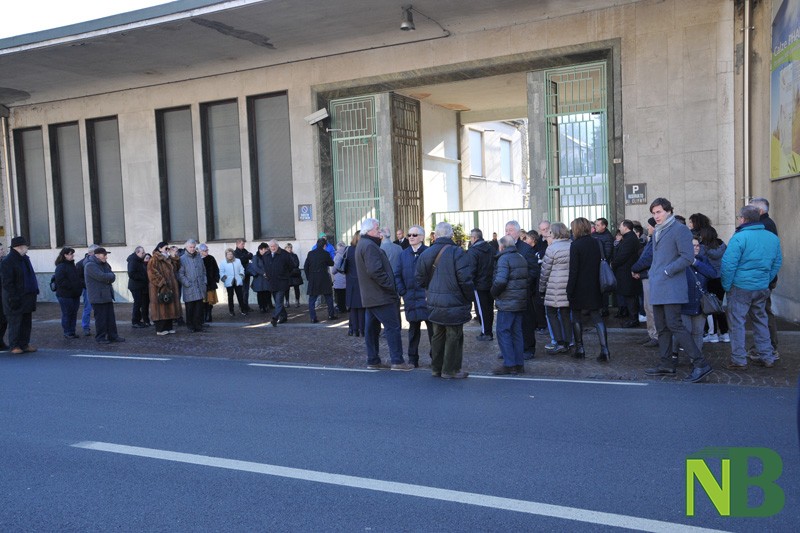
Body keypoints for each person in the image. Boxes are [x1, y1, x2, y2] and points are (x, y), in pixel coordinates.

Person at [644, 197, 713, 383]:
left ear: (668, 211)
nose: (656, 216)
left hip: (672, 286)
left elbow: (687, 257)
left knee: (675, 325)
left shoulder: (680, 229)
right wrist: (655, 273)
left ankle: (700, 363)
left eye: (658, 212)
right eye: (653, 213)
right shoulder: (658, 231)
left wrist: (667, 270)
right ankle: (666, 363)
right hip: (658, 285)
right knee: (662, 327)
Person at [722, 205, 782, 369]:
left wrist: (727, 286)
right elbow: (776, 263)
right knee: (761, 321)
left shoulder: (739, 237)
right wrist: (766, 280)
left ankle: (739, 359)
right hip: (761, 286)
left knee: (737, 324)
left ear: (743, 219)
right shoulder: (772, 238)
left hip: (741, 286)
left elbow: (728, 265)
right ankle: (767, 356)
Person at [416, 221, 474, 379]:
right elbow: (465, 279)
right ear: (451, 235)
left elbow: (419, 279)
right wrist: (470, 297)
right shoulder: (457, 252)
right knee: (454, 334)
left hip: (434, 300)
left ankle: (436, 368)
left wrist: (432, 289)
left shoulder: (426, 253)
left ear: (436, 235)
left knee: (437, 335)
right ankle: (450, 370)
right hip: (454, 300)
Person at [355, 218, 412, 371]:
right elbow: (375, 271)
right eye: (377, 229)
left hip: (371, 296)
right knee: (392, 327)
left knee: (371, 329)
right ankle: (397, 361)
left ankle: (373, 360)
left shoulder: (364, 244)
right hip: (380, 296)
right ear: (368, 231)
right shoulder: (369, 246)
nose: (379, 232)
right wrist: (390, 286)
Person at [567, 218, 610, 361]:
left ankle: (580, 349)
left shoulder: (575, 245)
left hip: (579, 286)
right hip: (594, 285)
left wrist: (569, 289)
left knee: (576, 317)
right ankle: (605, 350)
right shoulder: (597, 242)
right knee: (596, 316)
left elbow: (574, 270)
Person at [672, 238, 717, 361]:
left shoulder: (703, 260)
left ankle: (696, 359)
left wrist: (696, 263)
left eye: (698, 245)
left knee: (698, 332)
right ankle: (674, 353)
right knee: (683, 331)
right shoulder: (679, 261)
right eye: (693, 245)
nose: (696, 248)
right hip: (684, 304)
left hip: (700, 304)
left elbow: (713, 274)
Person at [489, 235, 529, 375]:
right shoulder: (520, 257)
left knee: (503, 331)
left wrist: (493, 293)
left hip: (507, 301)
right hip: (519, 300)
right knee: (516, 332)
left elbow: (500, 281)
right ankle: (519, 364)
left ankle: (509, 363)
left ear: (502, 246)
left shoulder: (504, 259)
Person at [395, 225, 432, 368]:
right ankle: (412, 359)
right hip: (411, 298)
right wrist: (403, 291)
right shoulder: (403, 254)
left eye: (414, 235)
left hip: (426, 298)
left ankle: (435, 358)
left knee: (432, 330)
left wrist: (430, 293)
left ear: (422, 237)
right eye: (409, 235)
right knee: (413, 331)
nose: (411, 237)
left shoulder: (429, 252)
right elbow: (397, 274)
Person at [748, 197, 779, 360]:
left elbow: (768, 256)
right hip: (763, 278)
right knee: (761, 312)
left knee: (763, 312)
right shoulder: (765, 225)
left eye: (751, 209)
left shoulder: (765, 226)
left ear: (760, 211)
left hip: (763, 279)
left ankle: (769, 347)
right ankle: (765, 346)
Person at [505, 220, 540, 359]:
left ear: (518, 233)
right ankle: (510, 349)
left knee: (526, 322)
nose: (508, 232)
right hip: (507, 293)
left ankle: (528, 348)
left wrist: (524, 286)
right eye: (506, 230)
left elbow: (533, 271)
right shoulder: (503, 247)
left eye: (511, 230)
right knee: (510, 323)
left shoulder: (526, 249)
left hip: (522, 293)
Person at [538, 222, 572, 354]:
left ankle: (559, 342)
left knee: (551, 313)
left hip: (554, 286)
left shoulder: (551, 248)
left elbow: (545, 271)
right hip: (568, 285)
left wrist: (541, 288)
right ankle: (569, 341)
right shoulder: (571, 245)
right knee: (565, 314)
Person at [1, 237, 38, 354]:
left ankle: (24, 344)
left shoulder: (24, 259)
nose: (27, 249)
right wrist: (13, 297)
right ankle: (14, 345)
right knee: (15, 322)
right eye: (26, 246)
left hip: (27, 297)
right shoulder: (8, 261)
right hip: (15, 297)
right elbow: (7, 282)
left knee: (26, 322)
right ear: (19, 247)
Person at [84, 247, 124, 344]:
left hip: (107, 295)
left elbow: (112, 276)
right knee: (101, 319)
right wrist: (109, 277)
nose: (106, 257)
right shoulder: (90, 265)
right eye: (104, 255)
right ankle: (100, 337)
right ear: (97, 255)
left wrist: (109, 277)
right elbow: (101, 276)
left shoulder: (105, 264)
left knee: (110, 318)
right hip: (97, 297)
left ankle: (113, 336)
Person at [698, 226, 729, 343]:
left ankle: (713, 333)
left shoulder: (702, 248)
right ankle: (725, 332)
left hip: (709, 279)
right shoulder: (722, 246)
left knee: (709, 307)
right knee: (719, 306)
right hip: (721, 278)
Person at [632, 218, 658, 347]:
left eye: (649, 226)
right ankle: (651, 333)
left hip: (650, 277)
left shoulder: (655, 240)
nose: (648, 228)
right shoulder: (652, 239)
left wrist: (635, 268)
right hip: (645, 275)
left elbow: (648, 259)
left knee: (651, 308)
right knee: (648, 308)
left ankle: (655, 335)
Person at [611, 220, 642, 328]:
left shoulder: (630, 239)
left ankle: (633, 319)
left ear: (626, 227)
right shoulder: (629, 238)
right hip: (626, 271)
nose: (619, 228)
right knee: (629, 296)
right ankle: (632, 318)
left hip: (627, 272)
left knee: (630, 296)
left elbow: (622, 255)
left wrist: (613, 264)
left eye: (620, 226)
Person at [147, 241, 182, 335]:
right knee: (161, 307)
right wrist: (162, 282)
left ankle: (168, 327)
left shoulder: (168, 258)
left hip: (170, 287)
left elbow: (176, 268)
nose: (167, 250)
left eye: (168, 248)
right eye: (166, 248)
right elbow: (152, 272)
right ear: (160, 248)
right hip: (159, 288)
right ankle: (160, 329)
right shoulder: (155, 258)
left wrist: (174, 257)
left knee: (169, 306)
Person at [467, 228, 495, 341]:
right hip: (491, 283)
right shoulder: (491, 248)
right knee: (489, 309)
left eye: (470, 237)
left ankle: (486, 333)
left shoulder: (473, 251)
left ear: (474, 238)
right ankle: (488, 331)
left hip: (479, 285)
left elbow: (471, 269)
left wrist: (469, 284)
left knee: (482, 310)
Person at [178, 239, 207, 333]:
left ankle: (198, 325)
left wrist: (204, 281)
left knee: (199, 308)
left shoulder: (199, 257)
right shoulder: (182, 259)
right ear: (186, 247)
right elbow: (180, 274)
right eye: (190, 247)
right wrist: (187, 283)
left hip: (199, 286)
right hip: (189, 288)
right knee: (190, 308)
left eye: (194, 247)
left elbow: (203, 271)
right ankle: (190, 326)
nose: (192, 249)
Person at [304, 237, 337, 323]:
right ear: (324, 245)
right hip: (324, 278)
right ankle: (331, 315)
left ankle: (313, 318)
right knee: (329, 298)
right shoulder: (325, 253)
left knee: (312, 300)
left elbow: (305, 266)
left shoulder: (310, 253)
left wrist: (308, 277)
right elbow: (331, 263)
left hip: (313, 278)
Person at [54, 247, 82, 339]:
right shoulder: (61, 266)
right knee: (67, 313)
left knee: (73, 313)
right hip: (65, 295)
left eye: (72, 254)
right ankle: (67, 332)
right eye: (71, 254)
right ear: (65, 255)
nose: (72, 255)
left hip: (74, 294)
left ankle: (72, 331)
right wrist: (72, 286)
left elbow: (76, 278)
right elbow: (60, 281)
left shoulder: (72, 265)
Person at [262, 240, 292, 327]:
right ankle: (284, 316)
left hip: (282, 281)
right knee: (277, 301)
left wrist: (285, 275)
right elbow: (264, 266)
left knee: (278, 301)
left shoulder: (284, 254)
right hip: (272, 281)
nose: (272, 248)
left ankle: (274, 318)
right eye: (271, 246)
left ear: (277, 246)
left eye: (274, 246)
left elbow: (291, 266)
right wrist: (266, 274)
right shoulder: (266, 255)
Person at [343, 231, 365, 337]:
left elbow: (344, 266)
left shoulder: (348, 250)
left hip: (351, 282)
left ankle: (353, 329)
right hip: (362, 282)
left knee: (352, 308)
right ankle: (362, 330)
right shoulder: (363, 249)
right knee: (361, 307)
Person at [76, 244, 98, 336]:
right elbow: (79, 278)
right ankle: (86, 327)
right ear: (90, 253)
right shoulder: (81, 264)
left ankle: (100, 327)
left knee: (98, 309)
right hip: (88, 289)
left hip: (97, 288)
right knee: (87, 308)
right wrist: (87, 285)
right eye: (97, 252)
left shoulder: (99, 262)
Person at [219, 248, 247, 317]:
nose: (230, 255)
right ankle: (231, 310)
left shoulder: (238, 261)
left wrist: (241, 276)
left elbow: (241, 269)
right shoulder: (223, 262)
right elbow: (221, 272)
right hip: (229, 282)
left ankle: (242, 309)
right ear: (226, 255)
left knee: (240, 296)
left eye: (231, 254)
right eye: (228, 254)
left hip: (237, 281)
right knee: (230, 297)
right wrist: (224, 278)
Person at [127, 246, 149, 328]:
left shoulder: (139, 260)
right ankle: (135, 321)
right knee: (137, 303)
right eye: (142, 253)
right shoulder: (133, 260)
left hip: (140, 285)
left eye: (144, 252)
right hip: (136, 286)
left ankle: (138, 320)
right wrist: (143, 276)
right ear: (137, 252)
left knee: (140, 303)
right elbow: (131, 274)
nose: (144, 254)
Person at [198, 243, 219, 324]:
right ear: (201, 251)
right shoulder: (197, 259)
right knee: (203, 301)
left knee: (210, 300)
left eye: (207, 250)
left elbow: (216, 269)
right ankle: (203, 315)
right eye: (205, 250)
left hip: (210, 283)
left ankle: (209, 314)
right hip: (202, 283)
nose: (207, 252)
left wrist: (216, 278)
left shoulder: (211, 258)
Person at [233, 239, 254, 312]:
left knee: (246, 290)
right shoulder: (235, 253)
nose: (243, 245)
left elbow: (250, 255)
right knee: (242, 290)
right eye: (242, 244)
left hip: (246, 272)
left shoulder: (244, 250)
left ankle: (246, 305)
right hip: (240, 274)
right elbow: (239, 260)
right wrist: (246, 256)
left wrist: (246, 256)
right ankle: (242, 306)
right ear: (237, 244)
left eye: (244, 244)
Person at [285, 243, 303, 308]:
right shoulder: (283, 256)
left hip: (295, 274)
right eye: (288, 247)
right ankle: (287, 301)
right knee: (286, 289)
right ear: (285, 248)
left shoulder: (294, 255)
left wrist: (290, 266)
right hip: (288, 274)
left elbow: (297, 264)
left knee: (296, 288)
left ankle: (297, 301)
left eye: (290, 248)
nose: (289, 249)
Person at [331, 242, 347, 314]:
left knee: (339, 295)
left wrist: (333, 272)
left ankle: (341, 308)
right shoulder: (347, 254)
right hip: (345, 276)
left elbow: (336, 267)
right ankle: (345, 307)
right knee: (344, 294)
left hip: (339, 277)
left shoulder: (338, 255)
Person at [0, 243, 7, 351]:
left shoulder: (3, 262)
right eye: (0, 249)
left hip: (3, 296)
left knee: (4, 320)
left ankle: (1, 341)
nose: (2, 251)